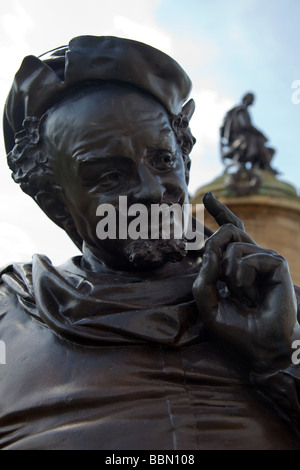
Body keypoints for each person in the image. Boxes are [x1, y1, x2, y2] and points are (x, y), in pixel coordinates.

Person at [0, 35, 299, 450]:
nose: (153, 192)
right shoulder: (8, 315)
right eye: (109, 176)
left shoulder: (278, 304)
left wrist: (280, 360)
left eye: (163, 160)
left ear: (186, 158)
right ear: (55, 202)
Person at [220, 92, 277, 174]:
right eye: (251, 99)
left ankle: (263, 167)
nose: (252, 102)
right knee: (259, 141)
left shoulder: (242, 111)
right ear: (245, 99)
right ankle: (267, 167)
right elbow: (246, 125)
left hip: (246, 138)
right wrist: (260, 134)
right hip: (239, 139)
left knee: (270, 150)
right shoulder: (240, 110)